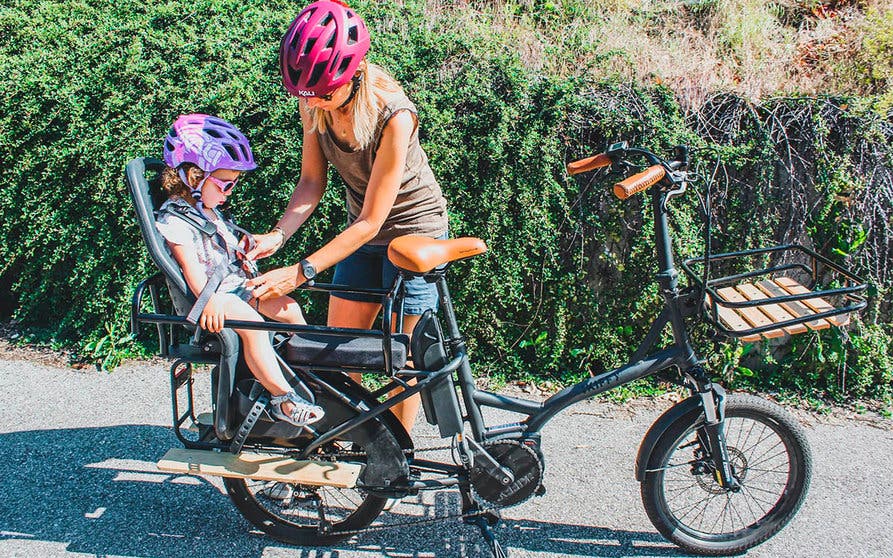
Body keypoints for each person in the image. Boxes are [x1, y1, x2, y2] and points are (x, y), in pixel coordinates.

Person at [245, 0, 449, 434]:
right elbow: (310, 183)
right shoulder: (313, 103)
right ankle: (348, 441)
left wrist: (300, 272)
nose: (315, 101)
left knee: (402, 360)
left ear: (352, 74)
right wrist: (277, 237)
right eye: (306, 95)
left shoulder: (395, 115)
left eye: (324, 93)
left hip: (413, 234)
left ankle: (399, 459)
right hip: (362, 234)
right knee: (338, 353)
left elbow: (373, 220)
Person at [158, 113, 324, 427]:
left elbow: (223, 250)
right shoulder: (175, 221)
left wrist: (243, 247)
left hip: (234, 288)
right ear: (194, 177)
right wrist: (210, 302)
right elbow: (191, 269)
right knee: (251, 324)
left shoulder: (209, 211)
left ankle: (311, 379)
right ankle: (283, 400)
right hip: (214, 299)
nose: (231, 191)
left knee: (288, 308)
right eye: (226, 184)